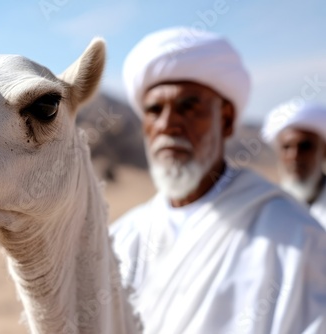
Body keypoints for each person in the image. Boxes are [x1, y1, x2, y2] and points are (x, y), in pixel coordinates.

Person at [111, 27, 326, 334]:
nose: (168, 124)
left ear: (224, 120)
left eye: (188, 106)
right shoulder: (122, 240)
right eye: (154, 109)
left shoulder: (295, 237)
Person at [261, 100, 326, 228]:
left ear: (324, 150)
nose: (294, 156)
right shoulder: (267, 206)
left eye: (305, 146)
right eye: (286, 147)